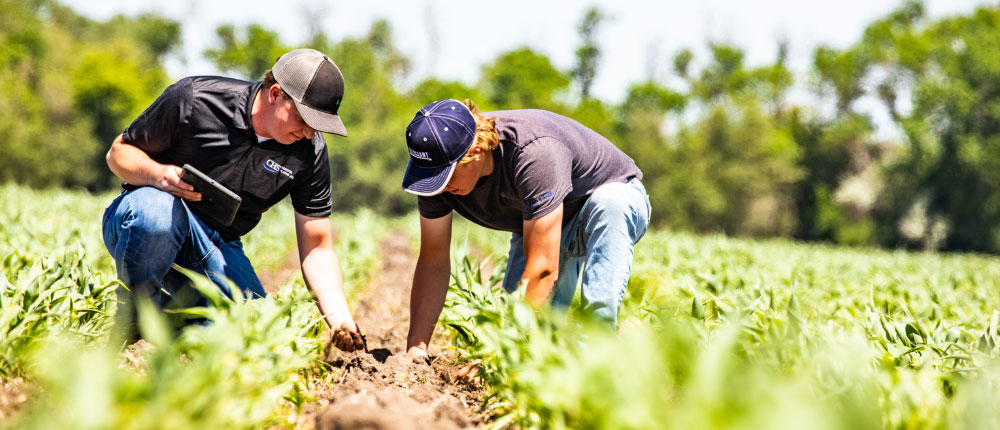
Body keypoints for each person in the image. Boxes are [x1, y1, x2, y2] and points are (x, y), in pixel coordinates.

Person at [102, 48, 364, 352]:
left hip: (216, 246)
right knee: (156, 215)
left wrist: (340, 318)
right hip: (147, 216)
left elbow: (318, 247)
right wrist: (158, 174)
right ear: (276, 94)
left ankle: (173, 320)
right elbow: (119, 153)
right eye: (305, 118)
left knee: (256, 338)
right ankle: (132, 321)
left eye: (319, 124)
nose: (309, 132)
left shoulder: (309, 153)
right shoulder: (194, 99)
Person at [401, 99, 651, 358]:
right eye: (431, 178)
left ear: (475, 151)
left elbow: (543, 267)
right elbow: (433, 260)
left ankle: (602, 346)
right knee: (533, 338)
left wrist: (498, 354)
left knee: (611, 202)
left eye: (446, 176)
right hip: (538, 223)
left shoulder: (535, 152)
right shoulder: (434, 173)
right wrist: (416, 351)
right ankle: (623, 339)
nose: (438, 188)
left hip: (605, 206)